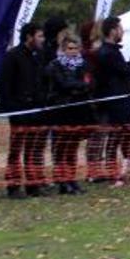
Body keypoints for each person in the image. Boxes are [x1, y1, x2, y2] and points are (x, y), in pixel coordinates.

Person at [93, 16, 130, 185]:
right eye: (120, 28)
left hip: (122, 100)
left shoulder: (113, 51)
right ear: (113, 30)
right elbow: (128, 71)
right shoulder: (108, 53)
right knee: (114, 138)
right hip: (114, 102)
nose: (122, 32)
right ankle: (111, 174)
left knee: (125, 137)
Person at [0, 23, 48, 198]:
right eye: (39, 36)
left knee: (34, 149)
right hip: (19, 110)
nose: (42, 40)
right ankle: (13, 186)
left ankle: (33, 185)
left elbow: (41, 80)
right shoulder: (13, 56)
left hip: (36, 109)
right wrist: (12, 107)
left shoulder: (39, 56)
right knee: (16, 149)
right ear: (29, 37)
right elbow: (5, 84)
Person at [46, 33, 94, 194]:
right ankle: (62, 181)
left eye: (76, 48)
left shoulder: (83, 65)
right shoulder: (54, 65)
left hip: (78, 111)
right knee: (61, 148)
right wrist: (79, 86)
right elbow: (63, 84)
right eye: (70, 48)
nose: (73, 51)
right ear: (63, 49)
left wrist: (79, 86)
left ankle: (72, 180)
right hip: (61, 111)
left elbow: (89, 83)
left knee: (73, 148)